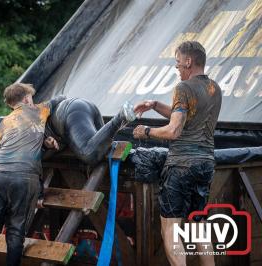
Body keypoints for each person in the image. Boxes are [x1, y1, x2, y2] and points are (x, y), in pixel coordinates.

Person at [133, 41, 222, 266]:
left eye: (178, 63)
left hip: (181, 165)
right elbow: (184, 115)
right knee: (198, 227)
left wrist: (146, 131)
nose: (177, 68)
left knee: (171, 228)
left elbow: (174, 130)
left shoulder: (183, 88)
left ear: (189, 61)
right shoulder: (214, 88)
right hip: (205, 165)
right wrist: (155, 105)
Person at [0, 83, 62, 266]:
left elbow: (8, 143)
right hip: (24, 177)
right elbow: (60, 99)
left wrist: (43, 141)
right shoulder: (38, 110)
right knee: (15, 234)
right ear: (26, 99)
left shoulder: (5, 122)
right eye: (31, 97)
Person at [45, 98, 136, 165]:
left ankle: (121, 116)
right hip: (80, 106)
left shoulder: (33, 128)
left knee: (89, 154)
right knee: (102, 148)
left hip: (71, 114)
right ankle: (121, 118)